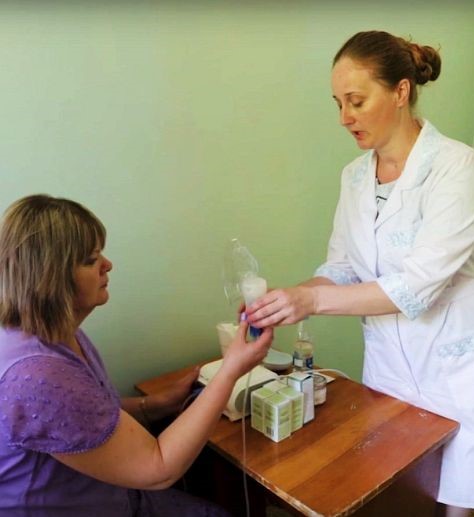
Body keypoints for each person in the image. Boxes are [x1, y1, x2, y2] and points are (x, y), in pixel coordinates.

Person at [246, 30, 474, 517]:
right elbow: (342, 268)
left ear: (400, 91)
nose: (344, 117)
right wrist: (290, 298)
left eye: (356, 101)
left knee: (454, 507)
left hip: (453, 376)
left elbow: (415, 288)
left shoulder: (458, 168)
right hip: (387, 376)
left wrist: (312, 301)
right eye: (338, 104)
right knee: (396, 502)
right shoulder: (353, 177)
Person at [0, 194, 273, 517]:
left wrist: (155, 405)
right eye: (91, 260)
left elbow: (88, 418)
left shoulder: (56, 331)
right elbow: (159, 469)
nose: (108, 265)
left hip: (115, 494)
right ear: (50, 277)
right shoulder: (36, 377)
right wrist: (231, 370)